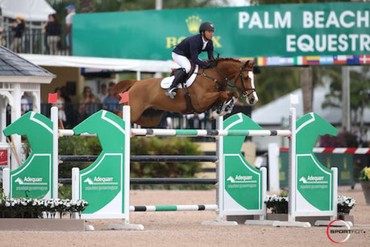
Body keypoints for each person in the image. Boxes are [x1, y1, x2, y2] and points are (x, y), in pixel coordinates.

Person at [166, 21, 216, 99]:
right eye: (209, 31)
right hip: (179, 54)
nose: (211, 33)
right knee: (187, 67)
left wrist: (214, 64)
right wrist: (206, 64)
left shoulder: (210, 43)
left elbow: (211, 58)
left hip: (189, 55)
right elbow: (195, 59)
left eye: (212, 32)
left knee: (201, 66)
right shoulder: (195, 41)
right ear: (203, 32)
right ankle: (171, 87)